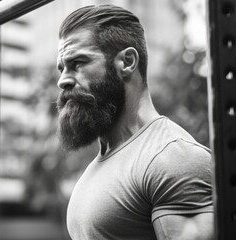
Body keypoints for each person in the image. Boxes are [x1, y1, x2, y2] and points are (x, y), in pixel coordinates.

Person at [55, 4, 214, 240]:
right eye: (62, 69)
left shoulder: (172, 158)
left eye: (78, 63)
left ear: (127, 61)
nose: (63, 81)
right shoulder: (104, 162)